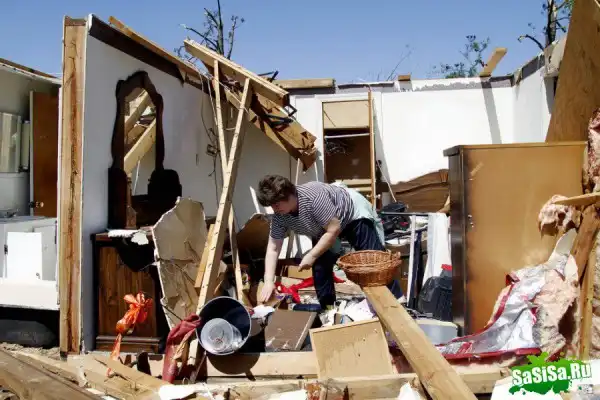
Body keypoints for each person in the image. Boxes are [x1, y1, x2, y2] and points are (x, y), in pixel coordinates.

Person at [256, 174, 403, 309]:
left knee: (374, 261)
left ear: (288, 195)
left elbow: (334, 229)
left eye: (276, 204)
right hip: (324, 228)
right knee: (320, 268)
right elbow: (273, 248)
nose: (274, 209)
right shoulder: (280, 216)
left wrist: (311, 255)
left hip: (351, 214)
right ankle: (329, 310)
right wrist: (269, 281)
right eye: (271, 205)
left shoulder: (314, 197)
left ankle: (398, 301)